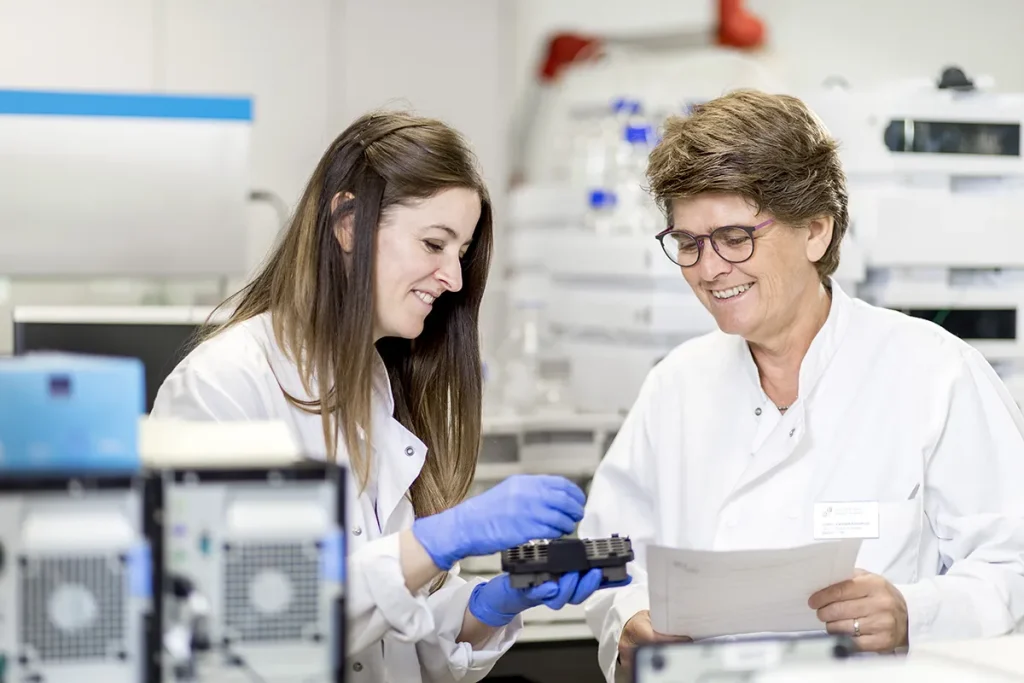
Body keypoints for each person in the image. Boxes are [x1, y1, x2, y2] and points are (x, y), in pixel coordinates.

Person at [151, 111, 624, 683]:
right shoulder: (222, 386)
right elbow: (251, 621)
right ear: (348, 223)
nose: (453, 277)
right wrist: (439, 539)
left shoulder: (379, 389)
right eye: (434, 244)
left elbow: (397, 640)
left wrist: (492, 603)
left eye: (462, 252)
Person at [578, 89, 1024, 681]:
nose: (709, 269)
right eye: (688, 243)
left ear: (815, 230)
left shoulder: (935, 374)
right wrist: (627, 616)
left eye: (735, 237)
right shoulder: (677, 386)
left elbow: (1011, 566)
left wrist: (914, 612)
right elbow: (607, 554)